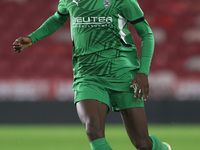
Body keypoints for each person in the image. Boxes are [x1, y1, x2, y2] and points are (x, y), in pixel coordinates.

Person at [13, 0, 171, 149]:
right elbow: (58, 18)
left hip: (122, 73)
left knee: (142, 144)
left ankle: (161, 148)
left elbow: (147, 34)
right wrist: (33, 38)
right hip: (87, 74)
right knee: (93, 129)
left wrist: (143, 72)